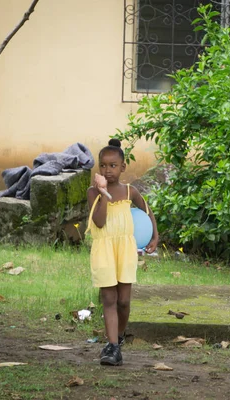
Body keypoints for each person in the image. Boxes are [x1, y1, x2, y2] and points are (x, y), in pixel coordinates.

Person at [85, 138, 159, 366]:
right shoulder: (93, 193)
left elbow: (147, 212)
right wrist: (104, 194)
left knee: (124, 301)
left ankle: (118, 338)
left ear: (123, 167)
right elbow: (98, 222)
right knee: (109, 298)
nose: (108, 170)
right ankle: (112, 347)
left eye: (113, 166)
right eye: (103, 166)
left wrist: (155, 236)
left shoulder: (130, 191)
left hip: (125, 250)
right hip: (104, 249)